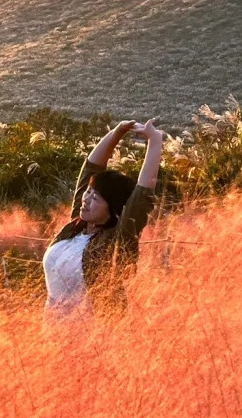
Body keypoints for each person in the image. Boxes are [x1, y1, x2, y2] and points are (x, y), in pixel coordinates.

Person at [43, 119, 164, 321]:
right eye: (87, 192)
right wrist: (117, 132)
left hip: (95, 335)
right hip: (52, 333)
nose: (86, 200)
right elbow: (91, 168)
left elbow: (143, 193)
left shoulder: (117, 239)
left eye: (96, 197)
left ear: (113, 208)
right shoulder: (76, 227)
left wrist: (155, 140)